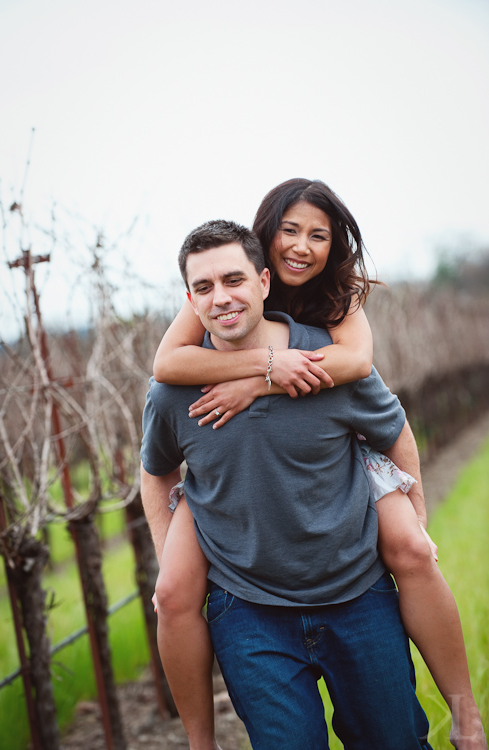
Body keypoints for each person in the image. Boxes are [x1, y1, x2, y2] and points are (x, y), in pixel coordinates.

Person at [149, 181, 486, 750]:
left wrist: (265, 379)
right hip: (248, 604)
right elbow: (162, 387)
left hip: (354, 567)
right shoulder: (181, 378)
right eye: (203, 288)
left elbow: (370, 384)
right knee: (173, 591)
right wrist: (263, 365)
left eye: (318, 235)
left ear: (261, 281)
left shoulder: (337, 319)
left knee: (412, 551)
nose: (301, 245)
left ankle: (468, 720)